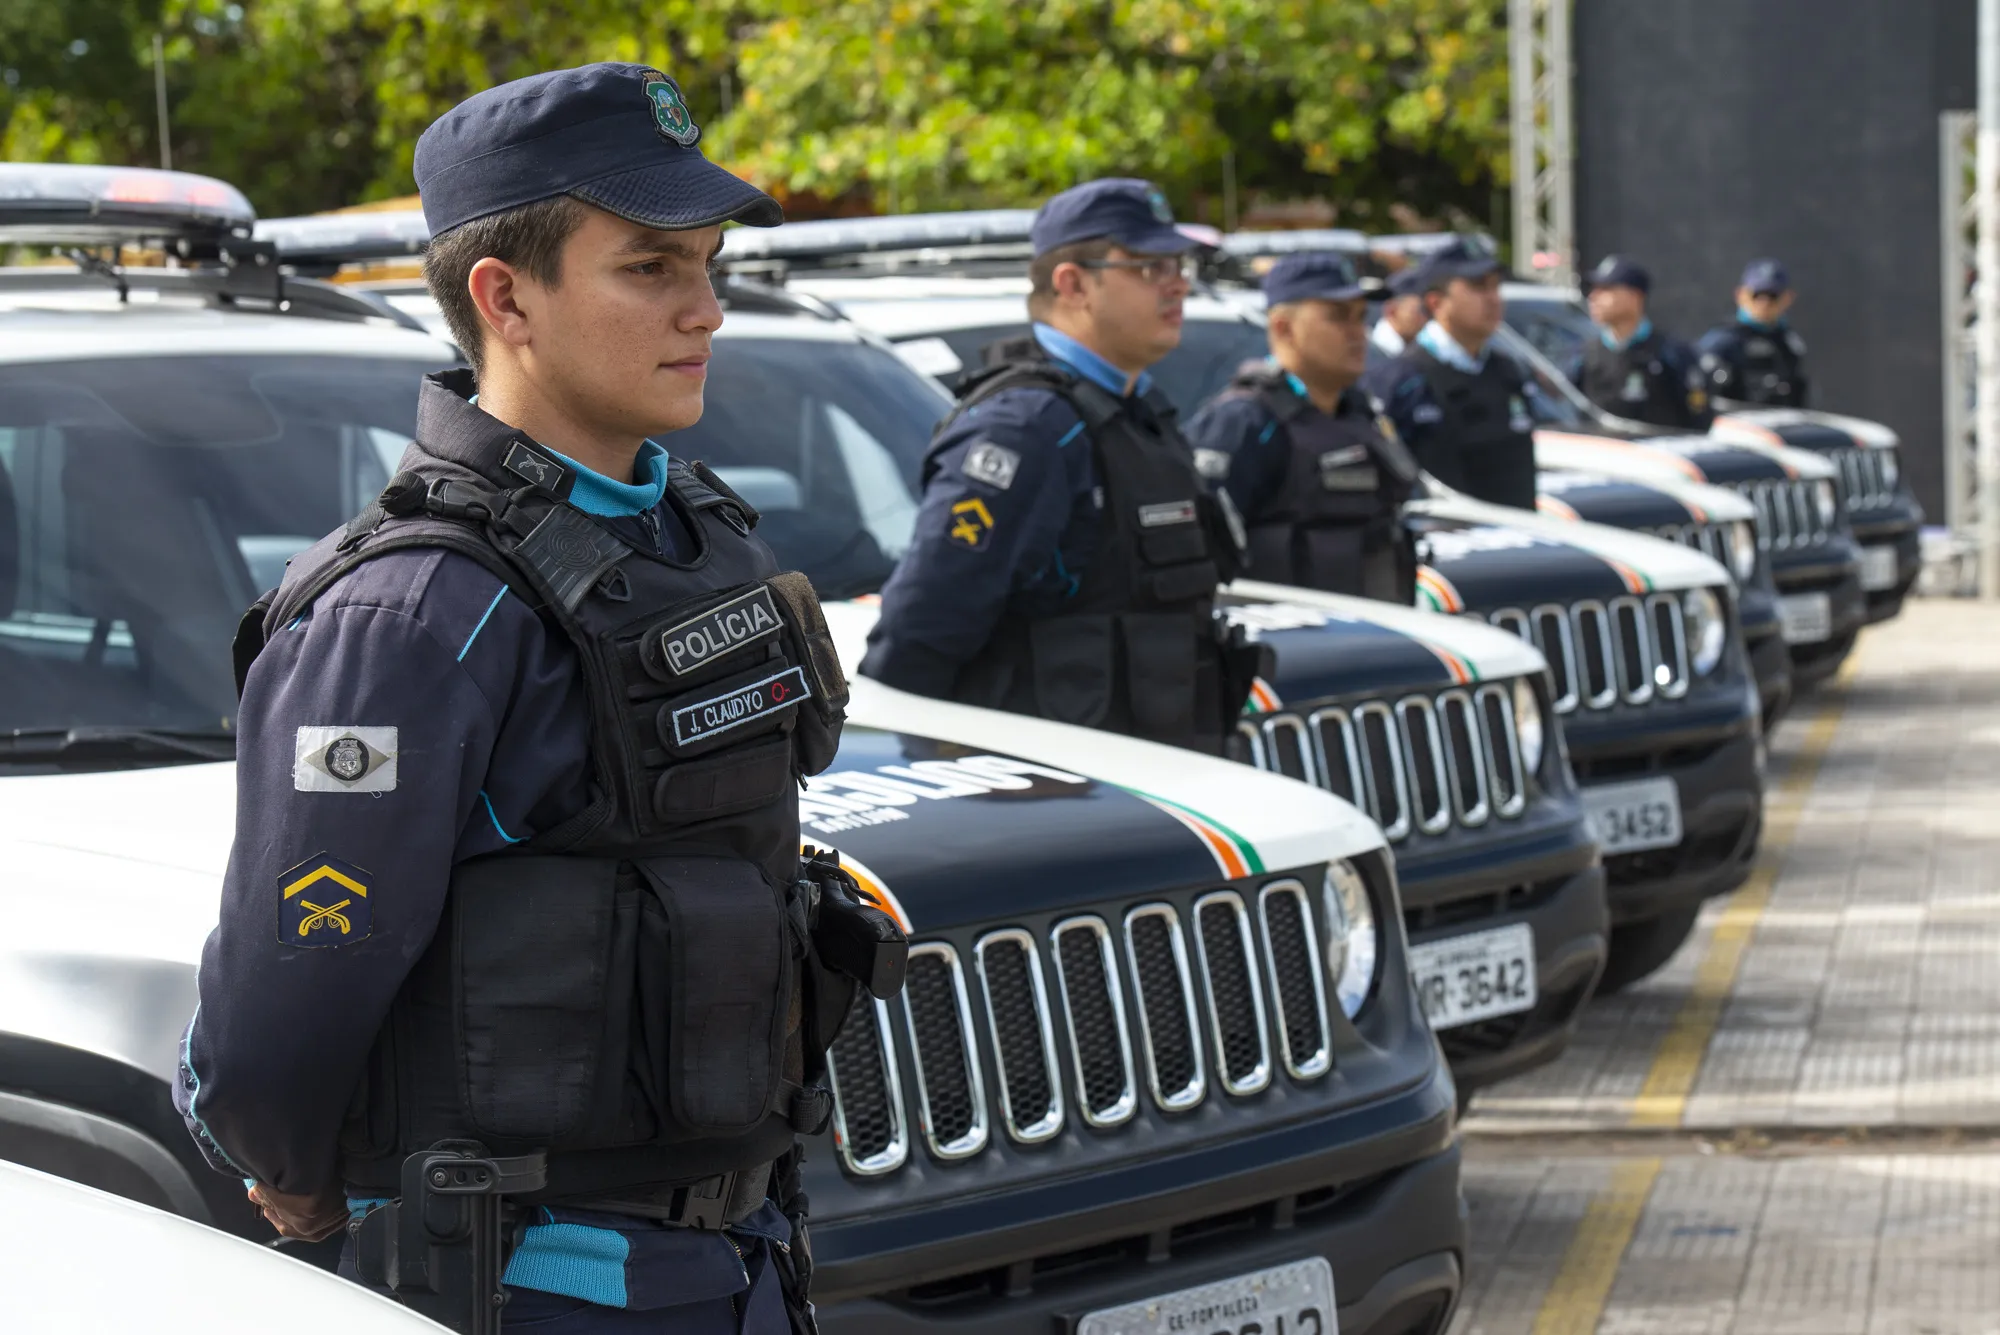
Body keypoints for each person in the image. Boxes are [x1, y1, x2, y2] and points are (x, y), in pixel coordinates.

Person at [174, 62, 900, 1334]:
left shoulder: (693, 537)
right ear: (504, 298)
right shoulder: (409, 613)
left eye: (709, 265)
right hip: (536, 1283)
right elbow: (286, 991)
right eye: (651, 268)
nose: (708, 309)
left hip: (743, 1256)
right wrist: (289, 1173)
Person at [858, 178, 1258, 753]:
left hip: (1158, 786)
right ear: (1073, 285)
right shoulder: (1029, 430)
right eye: (1149, 266)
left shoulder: (1138, 412)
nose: (1177, 285)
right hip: (1058, 805)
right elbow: (918, 637)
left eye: (1180, 265)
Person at [1183, 251, 1419, 602]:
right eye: (1339, 317)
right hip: (1295, 646)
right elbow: (1201, 556)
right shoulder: (1244, 421)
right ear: (1283, 327)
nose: (1358, 333)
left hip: (1375, 637)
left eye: (1360, 317)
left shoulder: (1360, 411)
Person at [1362, 237, 1538, 509]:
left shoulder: (1508, 371)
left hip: (1516, 541)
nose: (1493, 299)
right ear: (1435, 302)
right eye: (1478, 286)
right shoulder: (1400, 380)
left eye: (1495, 287)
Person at [1567, 254, 1710, 428]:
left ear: (1634, 296)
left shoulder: (1671, 353)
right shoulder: (1584, 354)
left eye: (1606, 289)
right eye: (1594, 289)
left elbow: (1699, 417)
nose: (1593, 297)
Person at [1696, 257, 1808, 407]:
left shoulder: (1790, 343)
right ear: (1740, 295)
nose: (1764, 303)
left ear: (1788, 298)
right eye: (1756, 295)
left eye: (1773, 296)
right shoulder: (1721, 343)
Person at [1369, 264, 1430, 359]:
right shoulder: (1376, 352)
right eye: (1417, 312)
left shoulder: (1411, 349)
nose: (1424, 319)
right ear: (1391, 311)